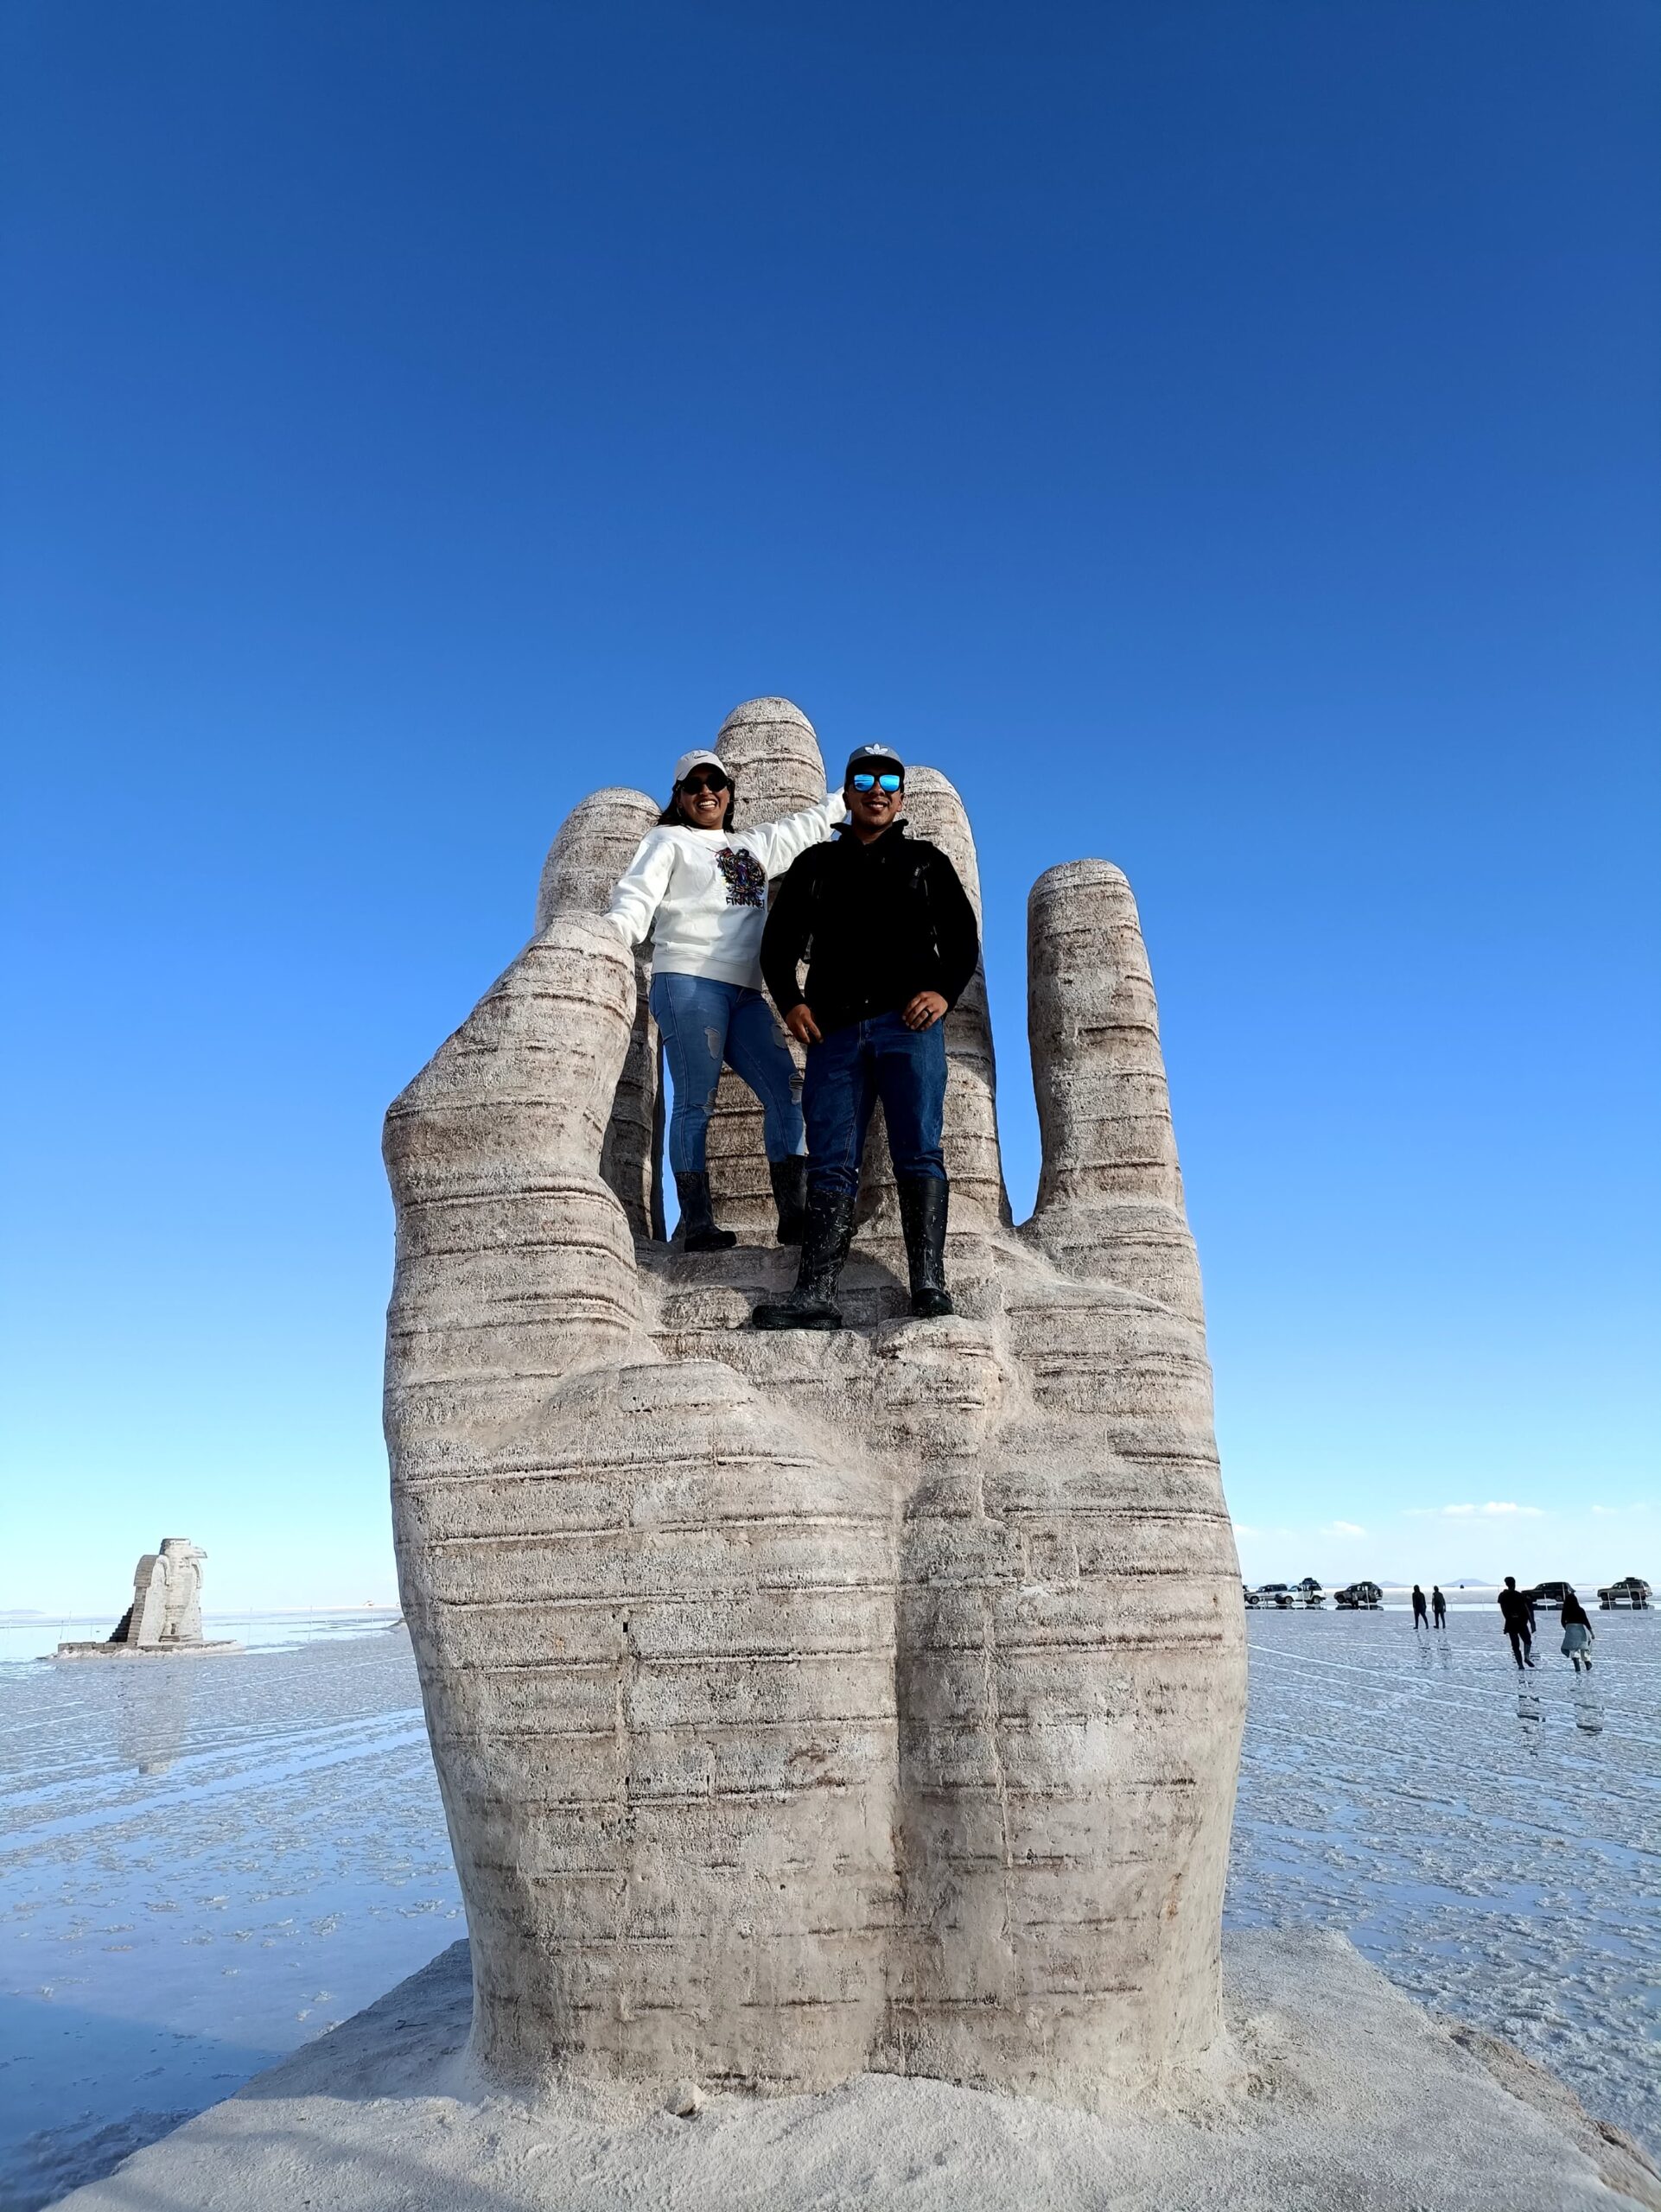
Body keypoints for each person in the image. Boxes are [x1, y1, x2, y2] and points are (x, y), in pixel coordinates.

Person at [753, 744, 980, 1328]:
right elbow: (778, 945)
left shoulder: (926, 862)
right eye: (864, 779)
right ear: (848, 793)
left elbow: (961, 940)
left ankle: (928, 1285)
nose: (876, 789)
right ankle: (817, 1291)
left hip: (908, 1027)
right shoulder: (815, 866)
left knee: (919, 1149)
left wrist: (943, 993)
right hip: (835, 1032)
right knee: (832, 1159)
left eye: (888, 781)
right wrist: (792, 1000)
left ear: (900, 796)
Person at [606, 748, 843, 1251]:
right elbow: (637, 894)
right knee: (696, 1101)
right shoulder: (668, 840)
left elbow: (808, 825)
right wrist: (612, 934)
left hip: (745, 991)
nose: (706, 791)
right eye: (693, 784)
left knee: (790, 1091)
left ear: (730, 792)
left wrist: (851, 796)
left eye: (716, 782)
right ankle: (697, 1223)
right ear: (680, 797)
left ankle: (794, 1215)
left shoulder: (752, 848)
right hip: (688, 979)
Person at [1499, 1576, 1537, 1669]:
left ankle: (1520, 1664)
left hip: (1511, 1622)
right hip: (1520, 1622)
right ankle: (1526, 1657)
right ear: (1514, 1584)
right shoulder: (1519, 1595)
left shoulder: (1503, 1596)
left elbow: (1503, 1610)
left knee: (1515, 1645)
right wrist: (1532, 1623)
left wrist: (1508, 1617)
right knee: (1527, 1640)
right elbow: (1527, 1610)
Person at [1559, 1589, 1596, 1674]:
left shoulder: (1565, 1610)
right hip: (1580, 1630)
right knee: (1584, 1647)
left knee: (1573, 1648)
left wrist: (1567, 1628)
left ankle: (1576, 1664)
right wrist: (1592, 1633)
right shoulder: (1580, 1610)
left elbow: (1562, 1621)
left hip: (1570, 1630)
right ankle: (1587, 1663)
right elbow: (1586, 1621)